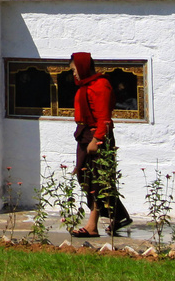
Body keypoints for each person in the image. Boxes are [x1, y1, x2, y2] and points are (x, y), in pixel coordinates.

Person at [69, 51, 132, 237]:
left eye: (74, 70)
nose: (73, 74)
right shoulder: (85, 85)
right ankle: (119, 215)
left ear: (83, 67)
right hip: (84, 135)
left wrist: (97, 139)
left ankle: (92, 226)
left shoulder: (100, 85)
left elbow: (104, 117)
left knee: (96, 180)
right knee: (85, 177)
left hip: (96, 136)